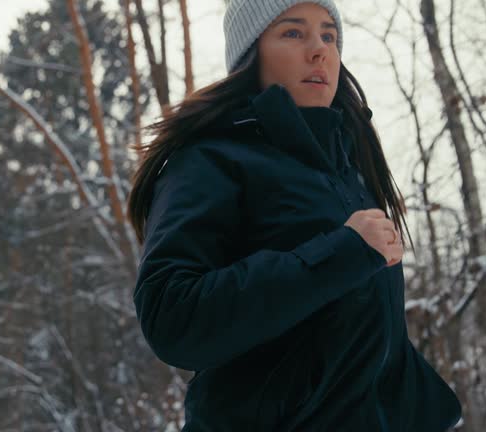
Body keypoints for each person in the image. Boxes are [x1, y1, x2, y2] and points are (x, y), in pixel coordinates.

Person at [125, 0, 463, 430]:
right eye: (293, 33)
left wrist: (425, 410)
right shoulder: (210, 160)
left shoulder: (350, 172)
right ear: (252, 55)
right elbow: (172, 319)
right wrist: (340, 254)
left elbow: (355, 336)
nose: (319, 50)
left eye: (329, 35)